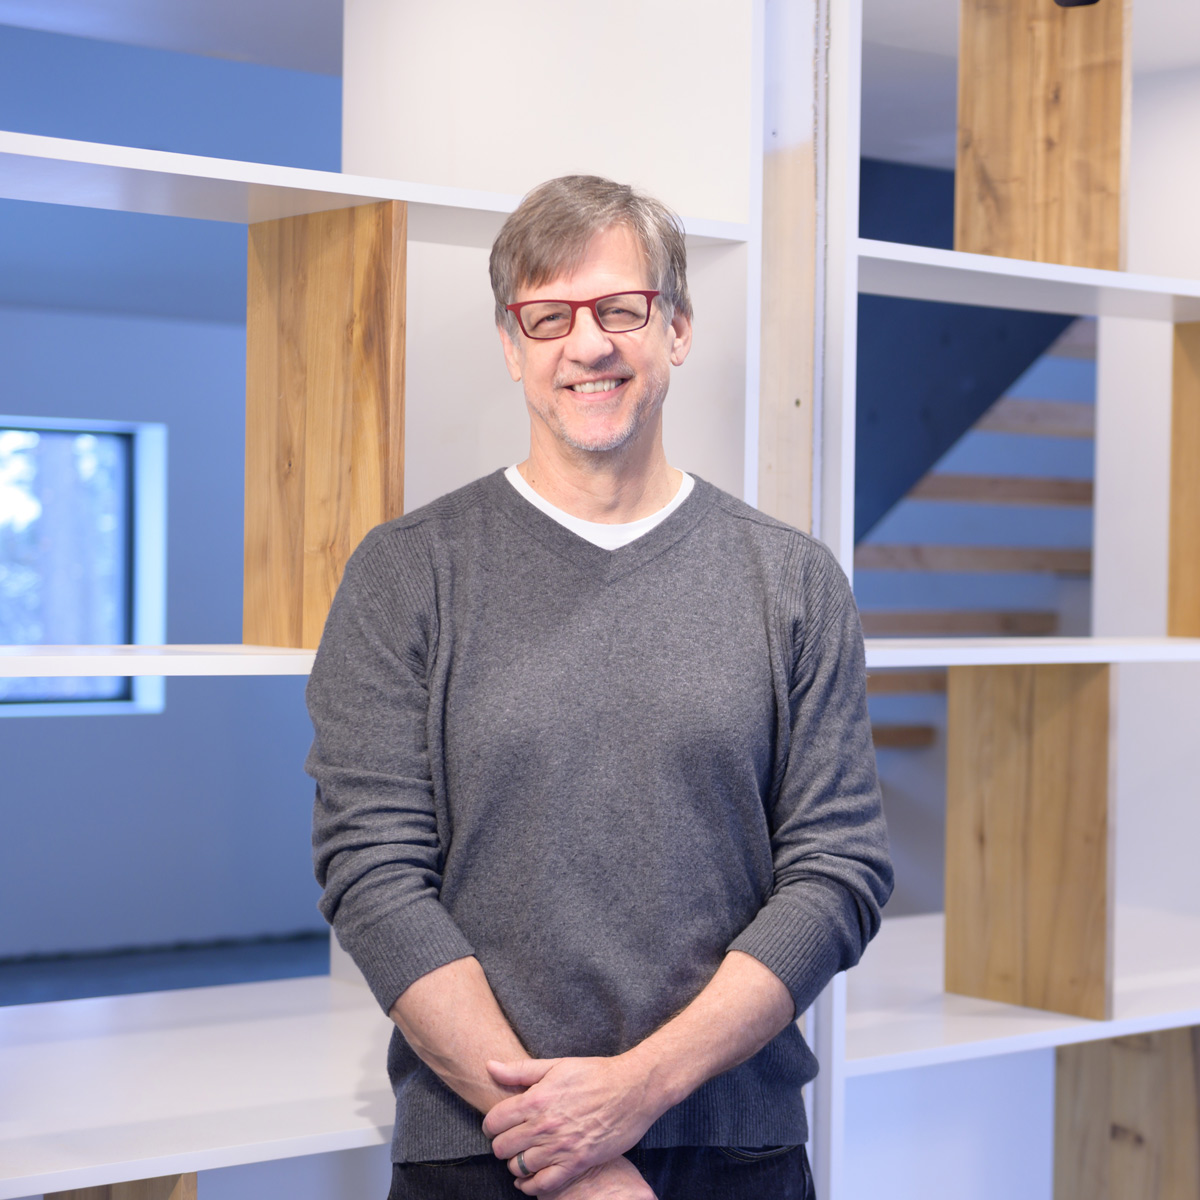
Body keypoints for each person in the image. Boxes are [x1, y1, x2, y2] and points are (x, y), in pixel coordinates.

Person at [306, 175, 893, 1200]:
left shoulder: (791, 582)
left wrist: (631, 1094)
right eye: (549, 316)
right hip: (485, 1149)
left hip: (734, 1148)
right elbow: (375, 877)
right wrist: (562, 1144)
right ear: (510, 343)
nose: (589, 345)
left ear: (677, 329)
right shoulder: (407, 575)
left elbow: (836, 872)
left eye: (622, 309)